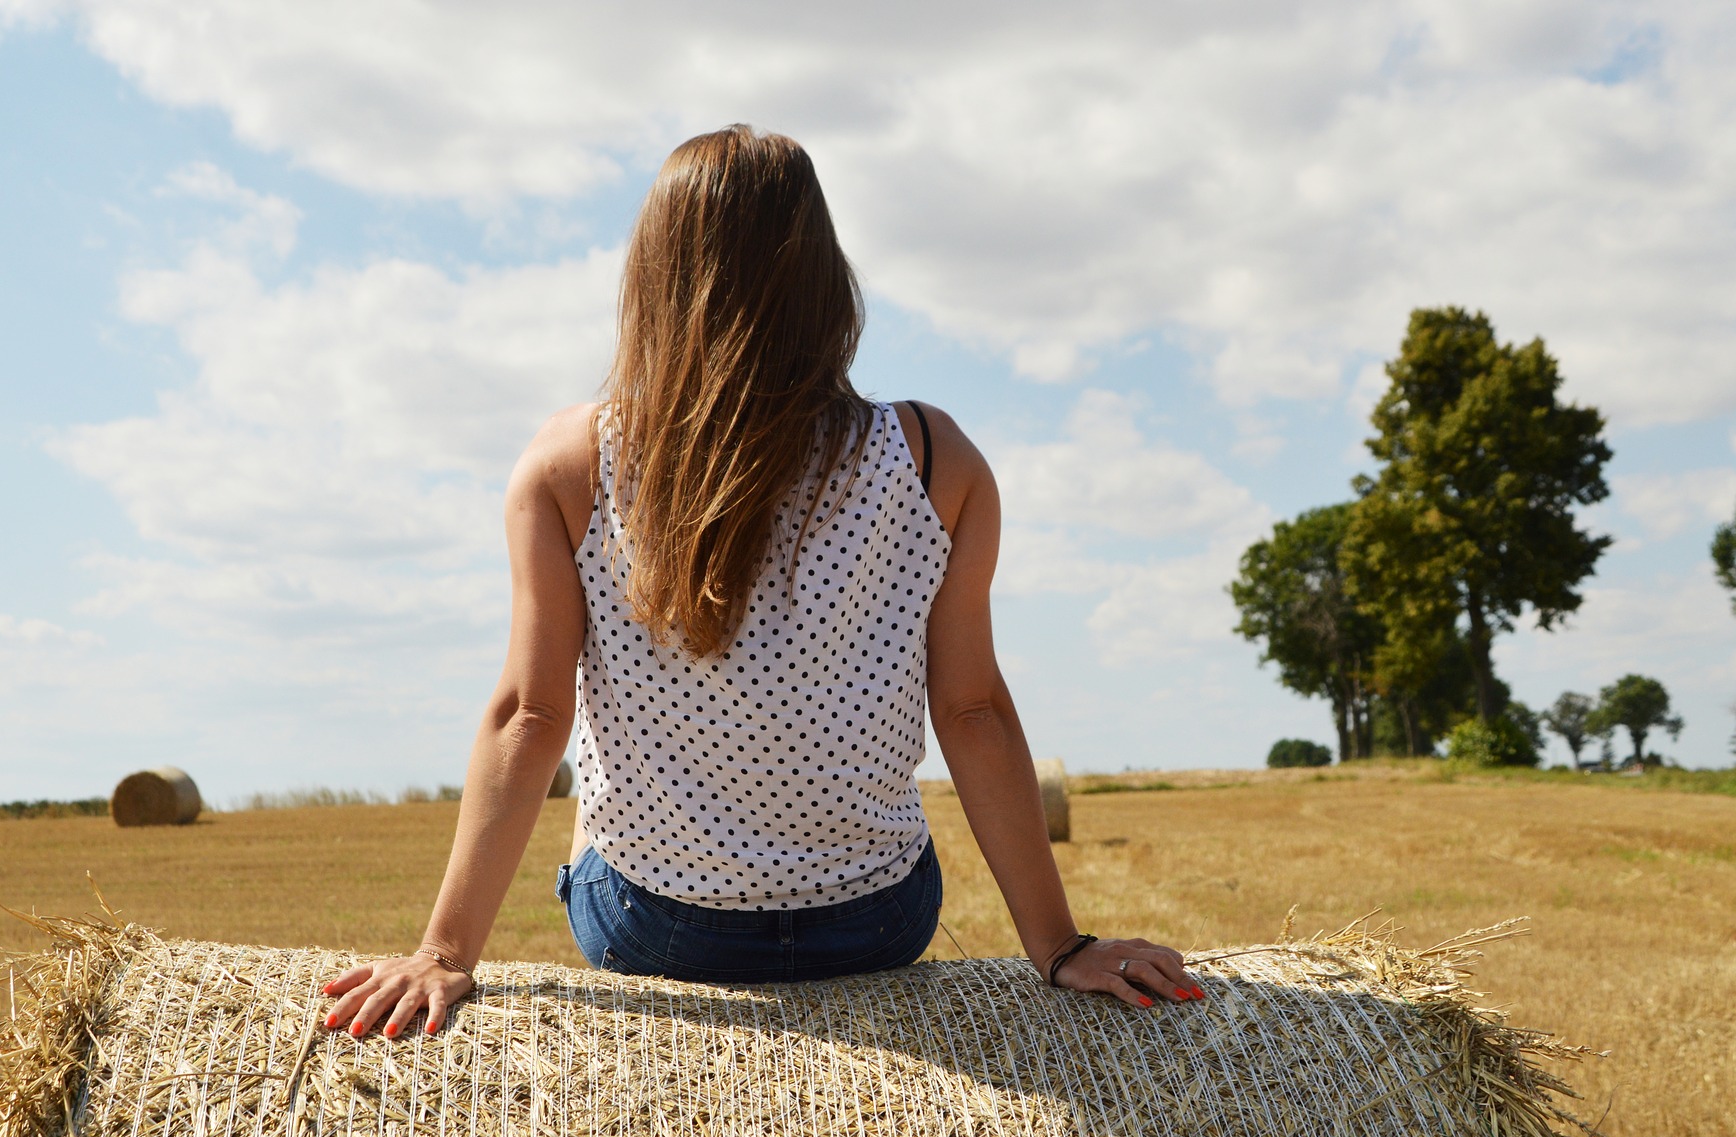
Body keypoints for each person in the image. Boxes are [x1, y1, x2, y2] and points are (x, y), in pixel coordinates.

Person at [322, 124, 1202, 1039]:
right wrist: (1059, 946)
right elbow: (972, 710)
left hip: (655, 926)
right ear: (827, 280)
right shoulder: (938, 459)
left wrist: (443, 954)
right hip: (876, 921)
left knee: (593, 808)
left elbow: (532, 716)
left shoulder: (569, 463)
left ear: (654, 281)